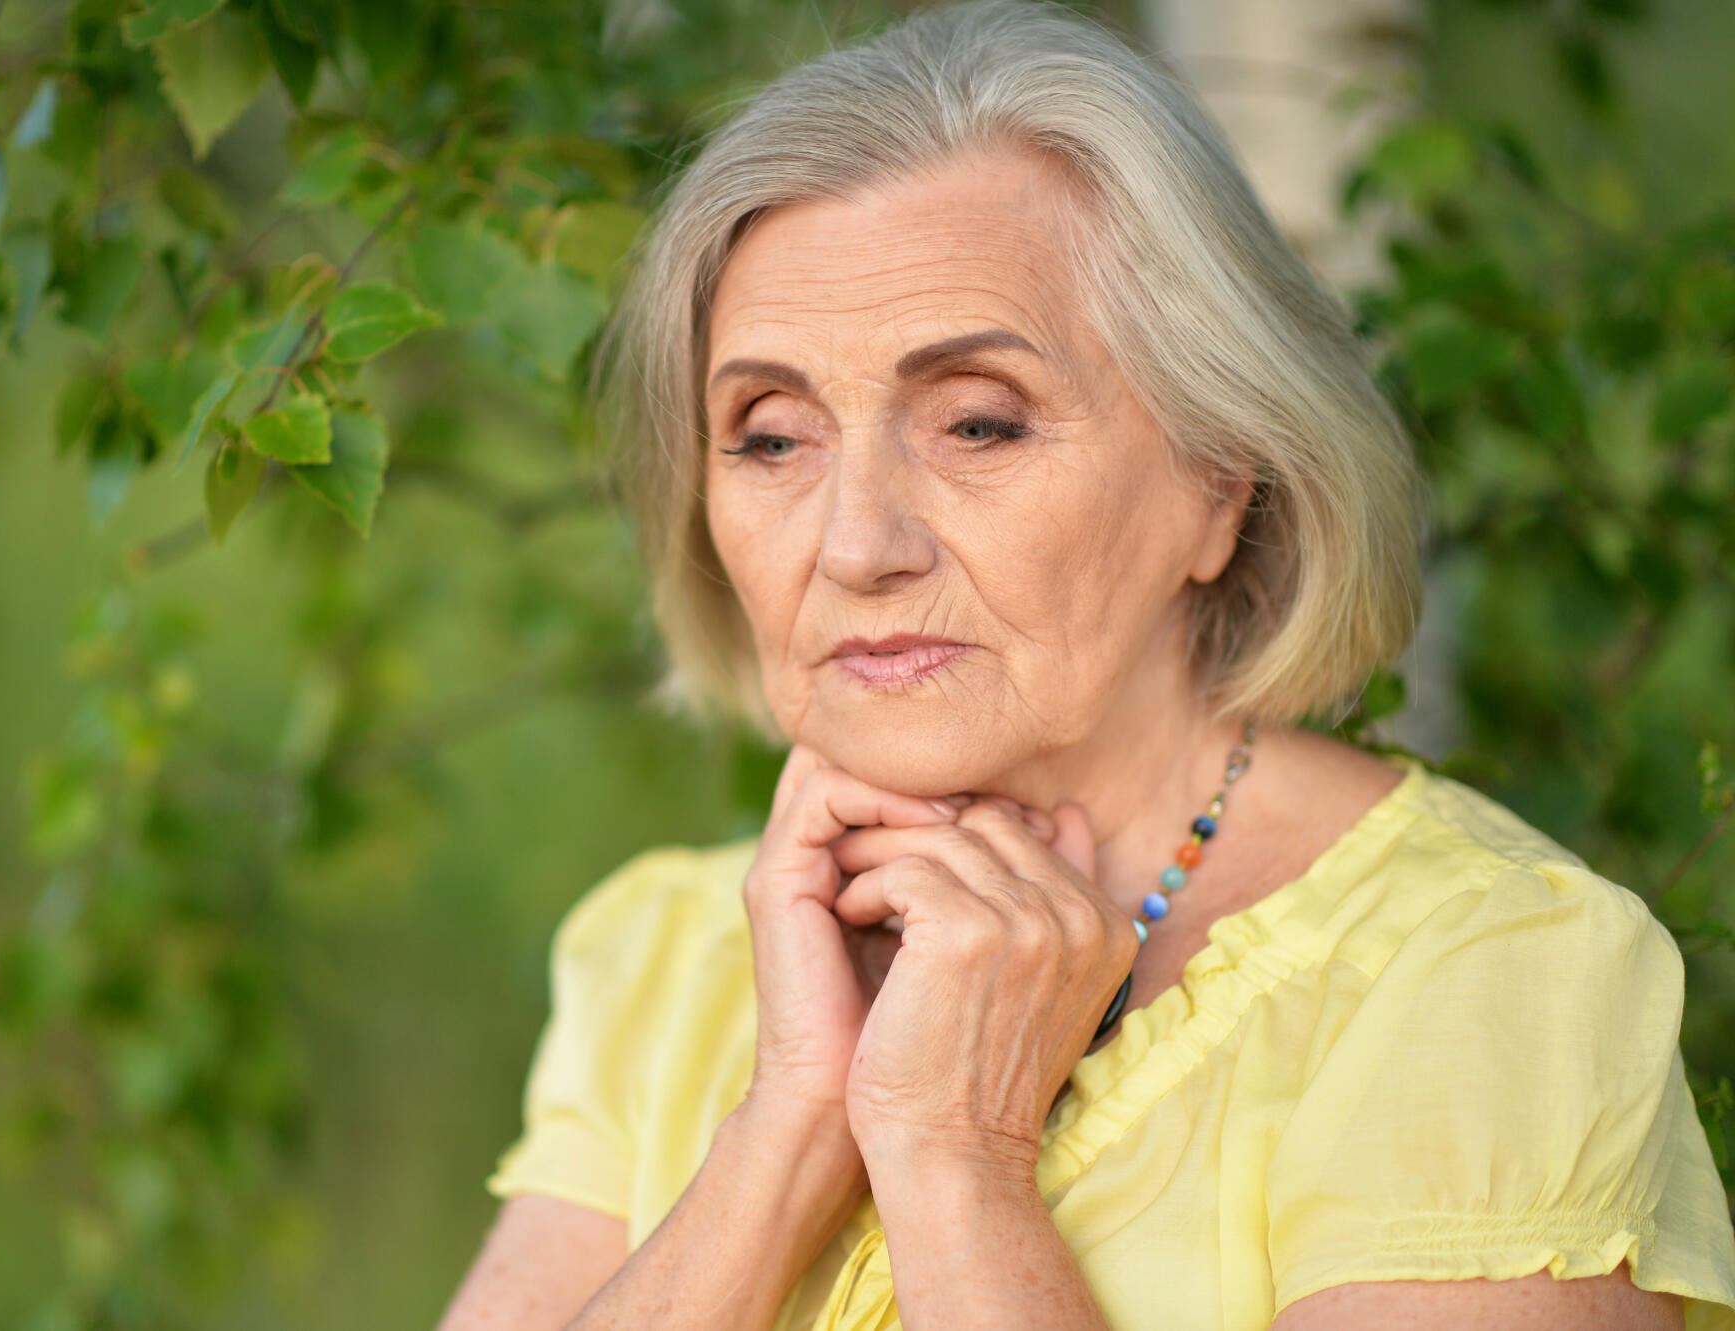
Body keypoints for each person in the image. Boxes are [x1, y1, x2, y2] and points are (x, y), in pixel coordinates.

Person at [435, 2, 1735, 1328]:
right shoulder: (664, 952)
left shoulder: (1483, 977)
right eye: (770, 437)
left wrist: (957, 1156)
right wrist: (795, 1119)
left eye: (980, 424)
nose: (854, 544)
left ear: (1219, 475)